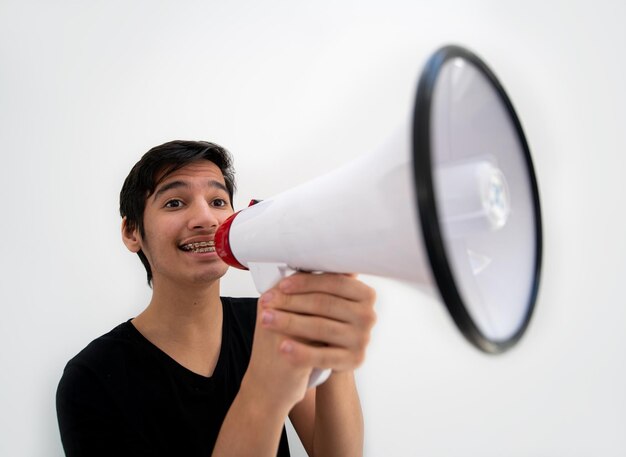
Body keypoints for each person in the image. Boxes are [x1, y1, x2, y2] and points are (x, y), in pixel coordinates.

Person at [56, 140, 377, 456]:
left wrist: (334, 348)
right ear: (131, 232)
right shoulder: (92, 378)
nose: (206, 219)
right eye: (174, 203)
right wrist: (264, 389)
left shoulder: (268, 321)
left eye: (218, 201)